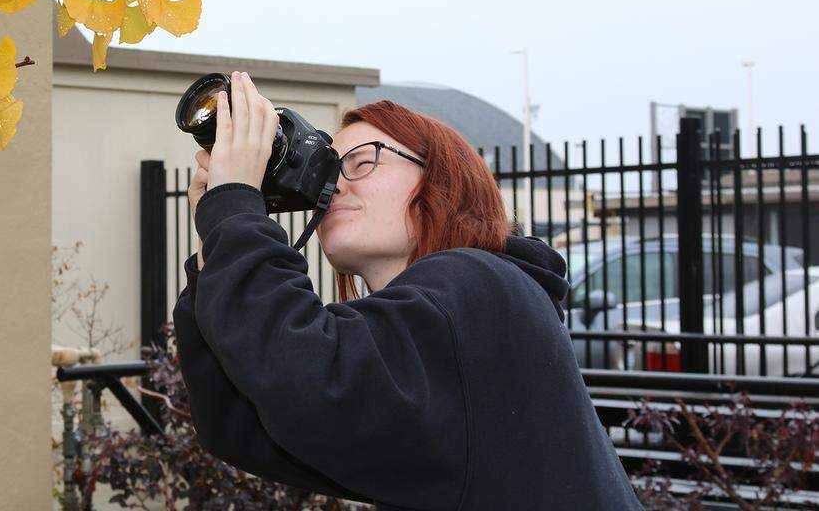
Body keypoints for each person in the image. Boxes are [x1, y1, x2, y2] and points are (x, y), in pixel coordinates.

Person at [172, 71, 641, 510]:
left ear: (441, 183)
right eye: (331, 169)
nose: (334, 185)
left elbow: (315, 378)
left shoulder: (483, 283)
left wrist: (235, 208)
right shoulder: (448, 324)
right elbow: (239, 423)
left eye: (362, 161)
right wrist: (217, 238)